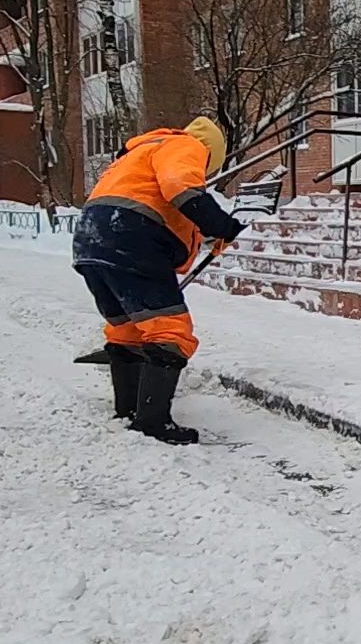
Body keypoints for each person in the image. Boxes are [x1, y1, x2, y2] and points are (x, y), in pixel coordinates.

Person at [72, 116, 244, 445]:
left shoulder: (139, 155)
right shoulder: (185, 145)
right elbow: (180, 186)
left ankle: (128, 410)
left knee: (128, 330)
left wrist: (203, 237)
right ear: (210, 153)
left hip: (89, 240)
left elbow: (164, 208)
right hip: (130, 236)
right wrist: (222, 225)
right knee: (170, 331)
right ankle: (152, 423)